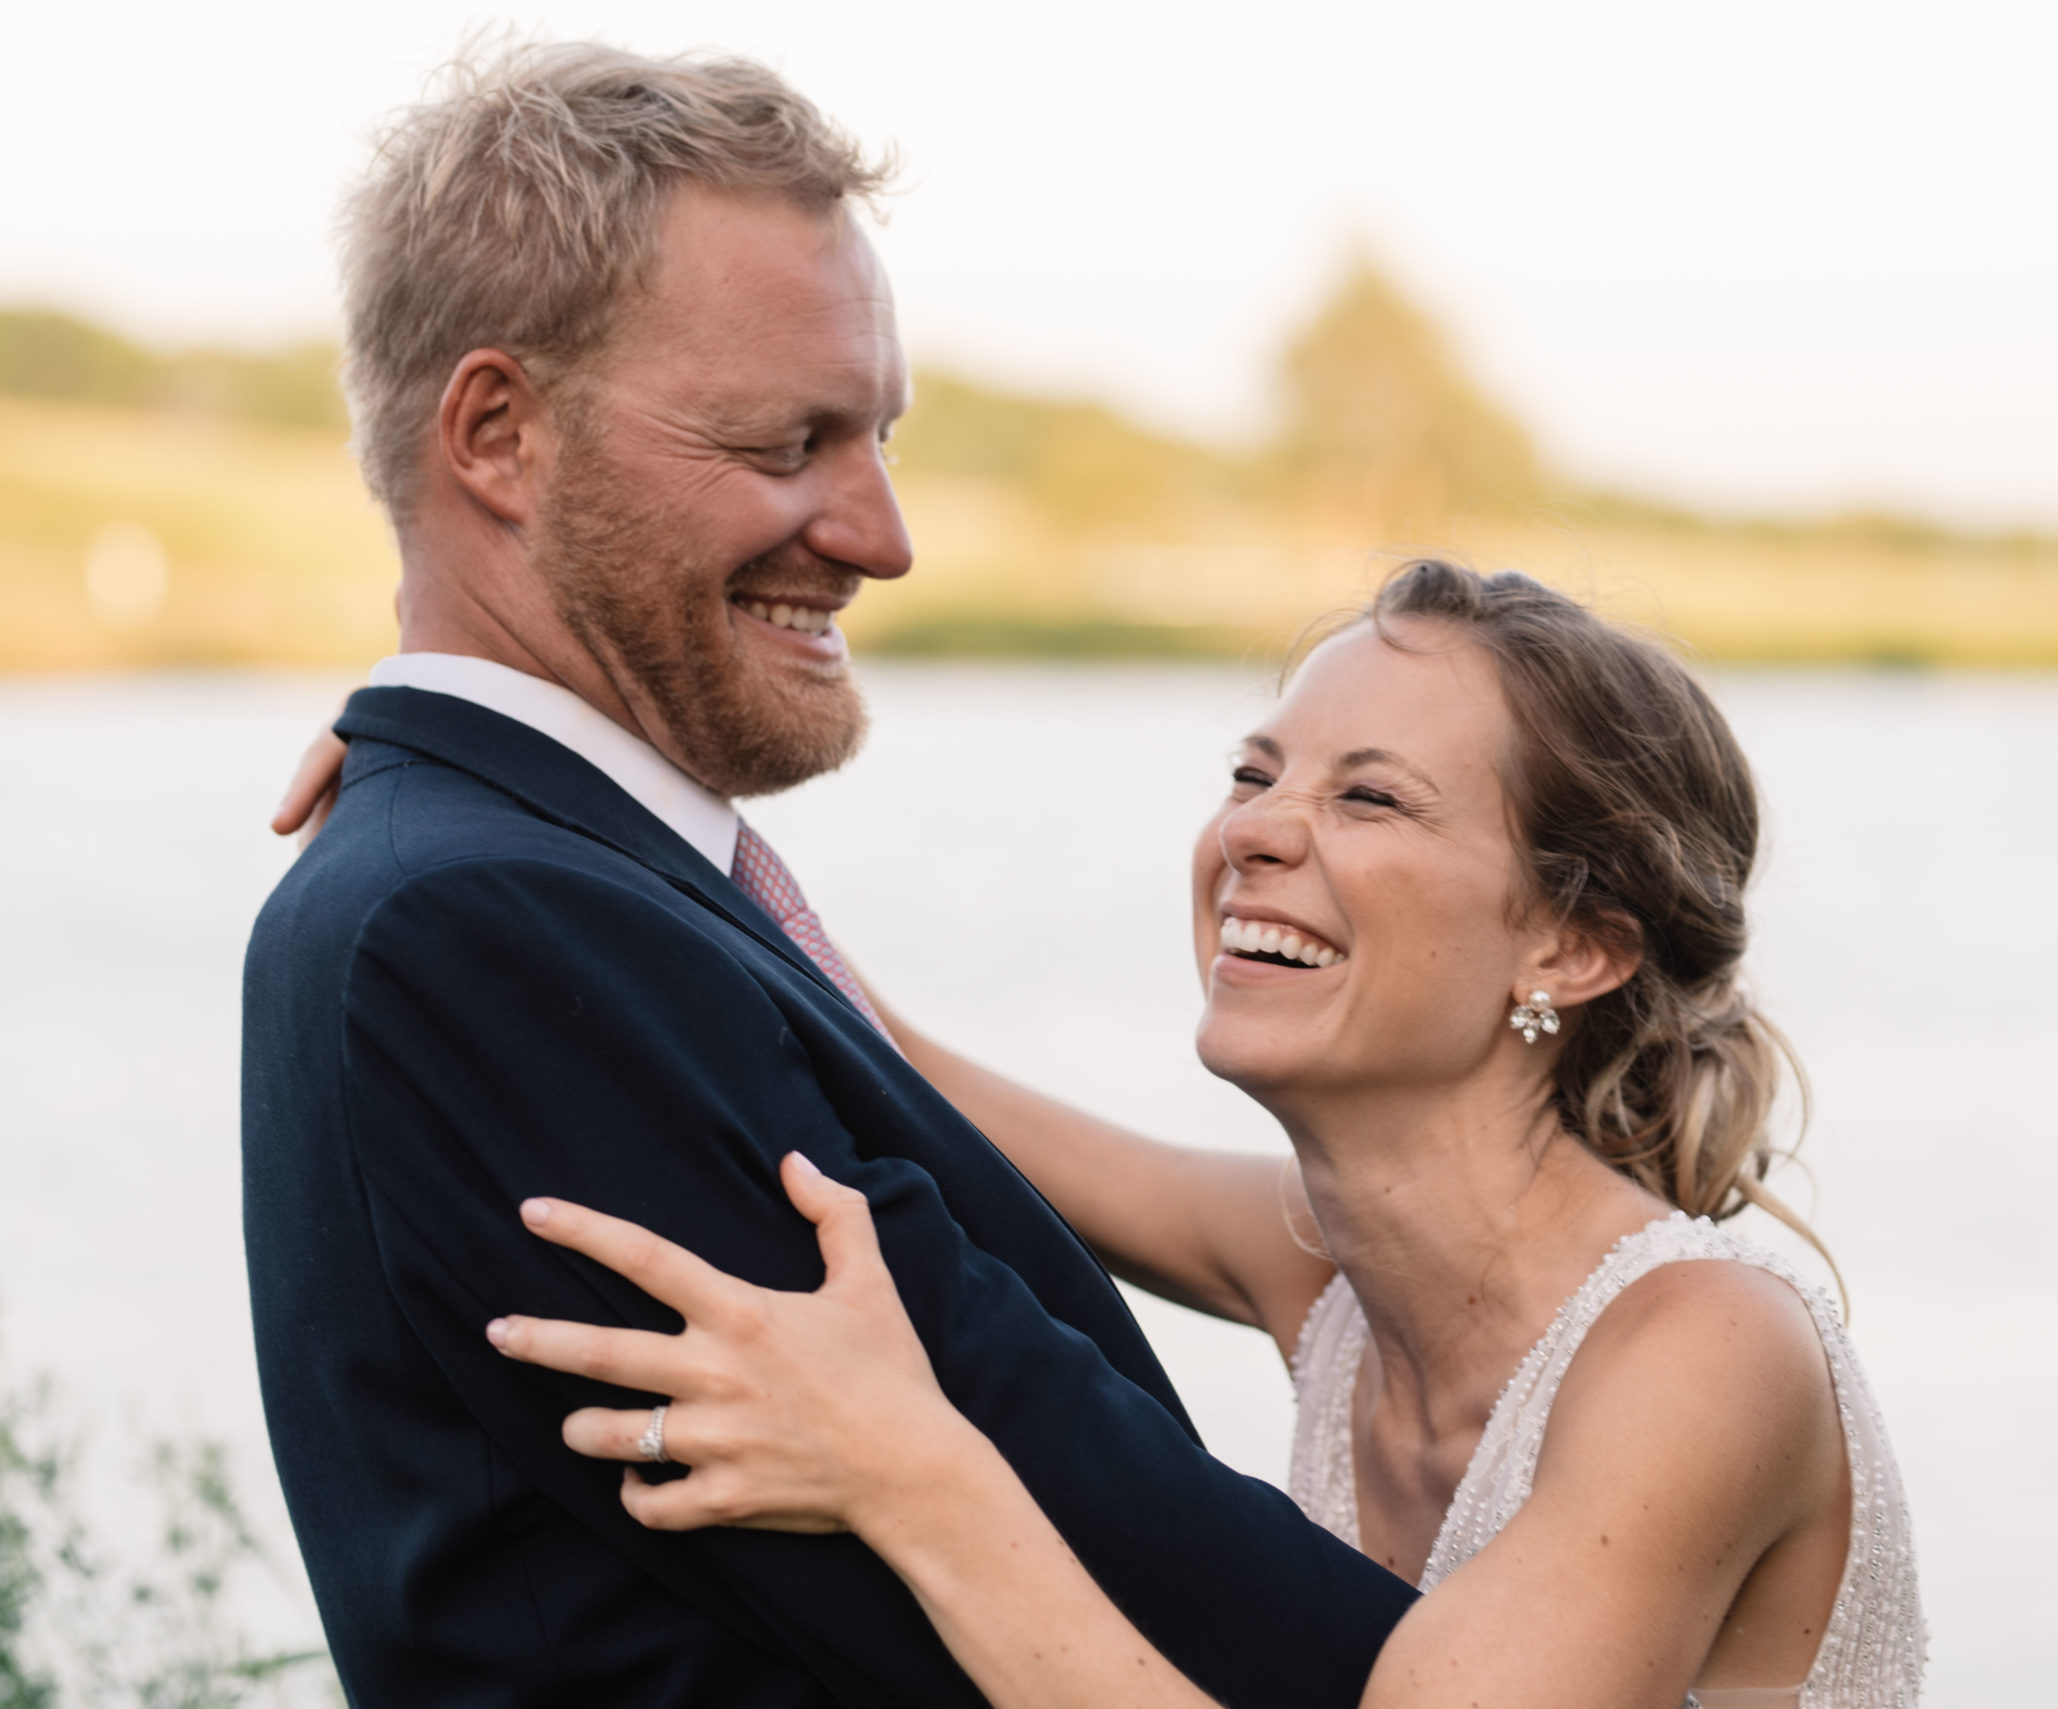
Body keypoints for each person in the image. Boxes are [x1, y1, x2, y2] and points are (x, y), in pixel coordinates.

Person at [241, 43, 1416, 1707]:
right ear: (499, 435)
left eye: (879, 436)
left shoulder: (540, 877)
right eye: (793, 441)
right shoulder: (485, 928)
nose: (882, 534)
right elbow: (1059, 1514)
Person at [470, 562, 1929, 1707]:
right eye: (1253, 773)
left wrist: (907, 1471)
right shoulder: (1331, 1270)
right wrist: (501, 796)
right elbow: (891, 1057)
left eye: (1369, 795)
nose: (1257, 832)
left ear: (1571, 944)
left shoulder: (1704, 1354)